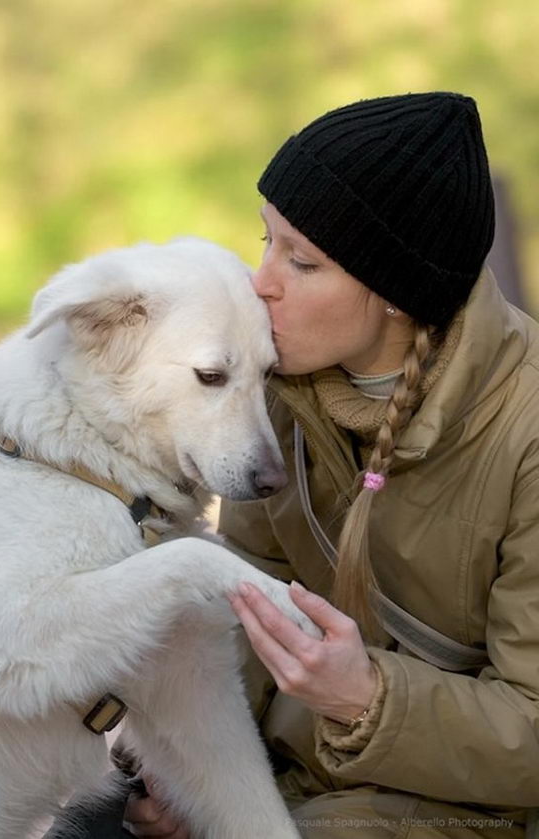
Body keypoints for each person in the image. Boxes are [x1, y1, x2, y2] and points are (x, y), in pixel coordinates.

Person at [70, 92, 539, 838]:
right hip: (288, 776)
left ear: (393, 291)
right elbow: (243, 609)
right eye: (266, 241)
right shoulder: (276, 393)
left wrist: (367, 698)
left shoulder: (526, 432)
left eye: (302, 260)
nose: (262, 282)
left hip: (465, 808)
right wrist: (186, 777)